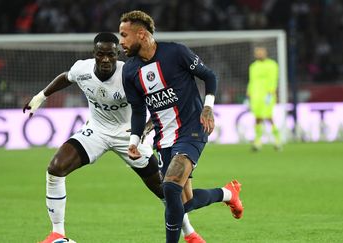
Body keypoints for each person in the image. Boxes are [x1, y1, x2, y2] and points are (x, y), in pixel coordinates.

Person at [23, 33, 204, 243]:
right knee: (55, 168)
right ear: (94, 54)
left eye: (111, 54)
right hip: (96, 131)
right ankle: (57, 233)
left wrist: (145, 128)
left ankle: (189, 233)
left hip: (129, 137)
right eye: (101, 54)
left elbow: (161, 103)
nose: (106, 59)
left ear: (117, 54)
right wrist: (40, 97)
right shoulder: (82, 69)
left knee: (166, 191)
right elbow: (66, 77)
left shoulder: (131, 74)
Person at [119, 10, 244, 243]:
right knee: (183, 203)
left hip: (192, 129)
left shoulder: (176, 52)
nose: (121, 42)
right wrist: (134, 141)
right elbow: (138, 110)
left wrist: (208, 107)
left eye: (125, 35)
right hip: (163, 138)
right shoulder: (129, 71)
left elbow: (209, 76)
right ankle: (227, 193)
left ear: (142, 34)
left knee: (170, 187)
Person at [246, 46, 281, 151]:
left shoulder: (272, 65)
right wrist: (249, 91)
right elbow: (252, 80)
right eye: (258, 52)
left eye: (261, 52)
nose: (259, 54)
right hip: (256, 95)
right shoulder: (253, 66)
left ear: (266, 53)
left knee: (268, 116)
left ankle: (277, 140)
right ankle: (258, 142)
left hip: (267, 94)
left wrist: (272, 91)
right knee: (257, 118)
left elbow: (274, 79)